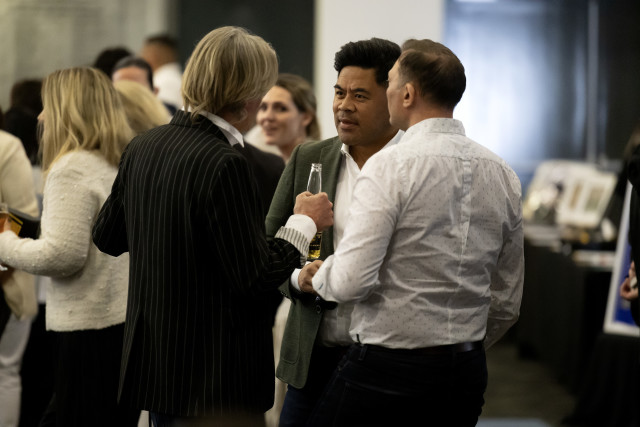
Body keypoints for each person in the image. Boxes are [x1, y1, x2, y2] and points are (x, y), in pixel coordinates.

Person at [91, 26, 333, 426]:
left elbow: (107, 236)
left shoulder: (143, 146)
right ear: (250, 93)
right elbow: (255, 276)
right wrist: (304, 222)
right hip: (214, 377)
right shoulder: (225, 162)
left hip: (156, 370)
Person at [305, 39, 524, 426]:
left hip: (388, 366)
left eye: (389, 82)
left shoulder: (391, 165)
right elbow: (506, 301)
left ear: (407, 94)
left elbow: (351, 282)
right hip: (467, 369)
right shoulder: (502, 172)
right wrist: (457, 344)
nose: (388, 91)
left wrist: (318, 276)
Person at [264, 37, 402, 427]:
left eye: (360, 95)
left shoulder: (412, 165)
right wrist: (297, 278)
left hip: (386, 359)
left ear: (393, 97)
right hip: (315, 356)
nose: (344, 105)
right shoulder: (310, 158)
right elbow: (267, 248)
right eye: (339, 93)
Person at [0, 67, 138, 427]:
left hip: (86, 327)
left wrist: (3, 242)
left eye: (48, 105)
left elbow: (61, 256)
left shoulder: (71, 168)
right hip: (118, 323)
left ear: (68, 110)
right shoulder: (115, 162)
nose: (41, 116)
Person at [0, 123, 39, 427]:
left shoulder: (6, 148)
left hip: (5, 282)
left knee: (5, 372)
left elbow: (23, 221)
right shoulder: (7, 147)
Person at [257, 73, 320, 163]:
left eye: (281, 109)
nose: (267, 116)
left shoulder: (320, 164)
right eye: (263, 107)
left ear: (306, 117)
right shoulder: (262, 161)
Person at [111, 55, 177, 116]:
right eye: (121, 89)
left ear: (154, 91)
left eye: (137, 89)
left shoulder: (170, 116)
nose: (128, 96)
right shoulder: (107, 118)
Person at [140, 34, 183, 111]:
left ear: (156, 55)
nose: (142, 57)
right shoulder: (173, 77)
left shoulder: (164, 80)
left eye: (146, 52)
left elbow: (167, 114)